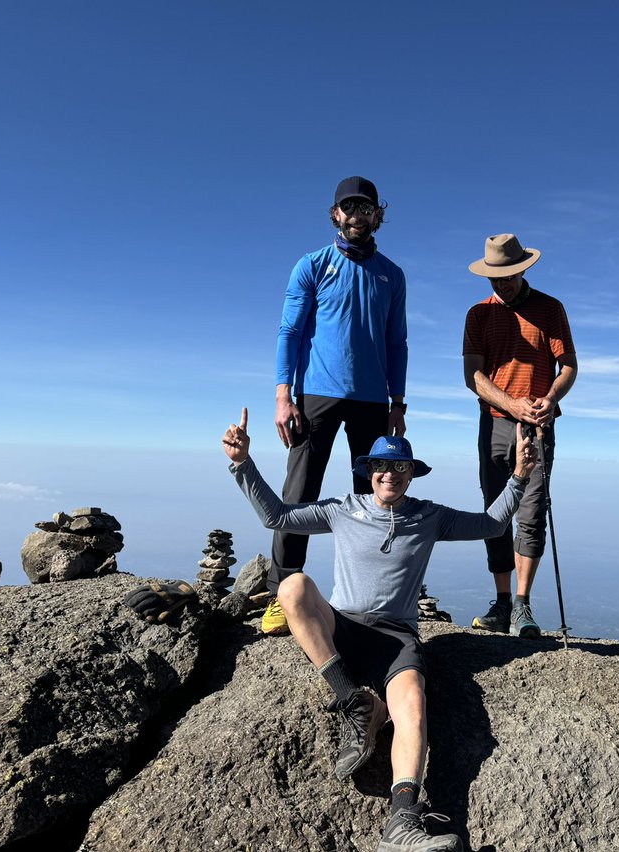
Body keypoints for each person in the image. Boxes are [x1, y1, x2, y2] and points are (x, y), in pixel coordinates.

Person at [223, 409, 535, 852]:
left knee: (412, 708)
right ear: (369, 472)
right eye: (382, 466)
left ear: (412, 475)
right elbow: (277, 517)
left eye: (400, 467)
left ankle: (402, 821)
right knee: (293, 586)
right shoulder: (342, 509)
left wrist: (520, 476)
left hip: (396, 637)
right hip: (344, 624)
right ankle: (355, 700)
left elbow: (492, 525)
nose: (390, 474)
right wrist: (242, 464)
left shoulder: (430, 516)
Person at [265, 176, 409, 636]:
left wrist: (398, 401)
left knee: (373, 500)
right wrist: (282, 395)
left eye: (366, 208)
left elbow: (396, 342)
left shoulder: (392, 274)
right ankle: (282, 594)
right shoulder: (312, 265)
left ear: (376, 216)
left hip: (372, 399)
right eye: (349, 207)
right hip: (315, 396)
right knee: (299, 494)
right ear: (335, 214)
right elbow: (289, 332)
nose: (357, 215)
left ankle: (365, 599)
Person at [462, 234, 577, 639]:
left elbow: (568, 367)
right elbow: (472, 376)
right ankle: (503, 602)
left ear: (523, 268)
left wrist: (548, 399)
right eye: (495, 277)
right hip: (494, 423)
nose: (502, 283)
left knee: (531, 513)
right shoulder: (478, 314)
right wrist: (512, 405)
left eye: (509, 275)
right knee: (495, 512)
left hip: (538, 423)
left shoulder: (550, 309)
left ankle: (522, 606)